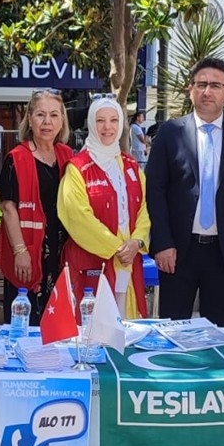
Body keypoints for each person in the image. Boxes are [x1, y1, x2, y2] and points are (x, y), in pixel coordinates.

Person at [146, 58, 224, 327]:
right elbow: (155, 190)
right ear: (191, 90)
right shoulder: (170, 133)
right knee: (173, 331)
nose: (207, 91)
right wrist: (162, 242)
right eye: (201, 84)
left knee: (218, 334)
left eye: (215, 85)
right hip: (177, 252)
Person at [58, 96, 151, 317]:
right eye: (100, 120)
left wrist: (136, 242)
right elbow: (77, 216)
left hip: (128, 264)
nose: (107, 127)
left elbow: (145, 210)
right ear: (91, 123)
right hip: (93, 266)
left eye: (113, 120)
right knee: (93, 333)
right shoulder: (77, 168)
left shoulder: (132, 167)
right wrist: (117, 247)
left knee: (126, 331)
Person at [0, 91, 74, 323]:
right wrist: (20, 252)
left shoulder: (67, 156)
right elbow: (8, 208)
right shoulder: (16, 158)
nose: (47, 122)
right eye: (40, 114)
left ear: (62, 121)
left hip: (59, 252)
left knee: (55, 324)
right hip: (28, 252)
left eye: (53, 115)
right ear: (29, 119)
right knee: (25, 321)